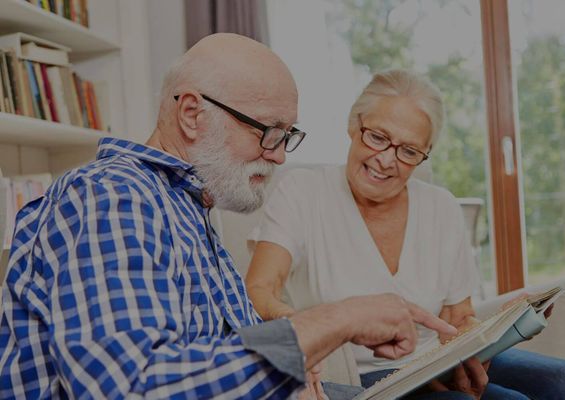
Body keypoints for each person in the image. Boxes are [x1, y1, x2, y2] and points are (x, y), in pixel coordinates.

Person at [0, 34, 458, 399]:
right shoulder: (110, 195)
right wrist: (340, 319)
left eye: (286, 135)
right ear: (193, 114)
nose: (279, 157)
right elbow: (132, 387)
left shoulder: (187, 208)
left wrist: (292, 375)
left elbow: (212, 353)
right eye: (268, 132)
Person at [246, 70, 565, 399]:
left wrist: (496, 330)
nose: (386, 159)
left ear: (423, 155)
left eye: (408, 151)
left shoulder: (441, 206)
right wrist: (309, 332)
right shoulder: (304, 192)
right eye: (378, 137)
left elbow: (459, 317)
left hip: (437, 359)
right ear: (354, 125)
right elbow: (259, 291)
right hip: (361, 375)